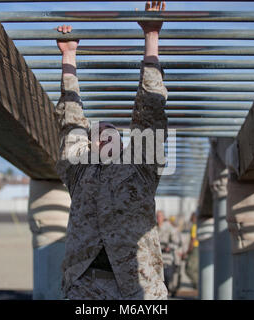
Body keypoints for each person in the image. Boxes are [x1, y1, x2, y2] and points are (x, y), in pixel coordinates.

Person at [54, 1, 169, 299]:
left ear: (125, 144)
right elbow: (70, 121)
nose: (102, 134)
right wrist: (69, 56)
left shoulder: (141, 168)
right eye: (96, 133)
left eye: (111, 132)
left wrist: (151, 37)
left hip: (139, 288)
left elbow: (150, 111)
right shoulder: (80, 172)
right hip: (85, 287)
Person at [156, 210, 181, 296]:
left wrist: (169, 246)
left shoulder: (169, 227)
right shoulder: (154, 228)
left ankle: (169, 290)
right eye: (157, 216)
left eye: (160, 216)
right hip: (156, 256)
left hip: (167, 256)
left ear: (163, 217)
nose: (158, 218)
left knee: (167, 275)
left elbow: (176, 241)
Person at [185, 212, 199, 290]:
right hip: (198, 249)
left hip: (194, 249)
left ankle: (197, 283)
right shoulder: (198, 225)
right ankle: (197, 284)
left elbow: (193, 240)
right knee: (195, 269)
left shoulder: (194, 226)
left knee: (189, 269)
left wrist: (188, 250)